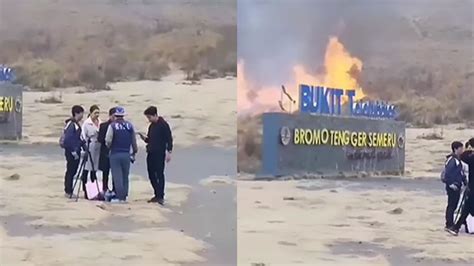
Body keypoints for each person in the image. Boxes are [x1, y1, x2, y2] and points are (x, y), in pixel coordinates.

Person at [139, 106, 173, 205]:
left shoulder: (164, 125)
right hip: (150, 152)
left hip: (159, 153)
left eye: (149, 117)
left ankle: (160, 196)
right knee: (151, 174)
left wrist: (169, 152)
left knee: (159, 174)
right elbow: (150, 140)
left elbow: (169, 139)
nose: (148, 120)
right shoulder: (151, 126)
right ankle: (156, 194)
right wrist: (144, 138)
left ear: (155, 115)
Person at [105, 106, 138, 203]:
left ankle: (119, 197)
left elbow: (108, 140)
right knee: (125, 176)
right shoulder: (129, 126)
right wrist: (134, 152)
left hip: (115, 153)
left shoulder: (112, 126)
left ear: (115, 115)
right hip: (126, 153)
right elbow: (134, 141)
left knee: (117, 176)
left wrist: (109, 147)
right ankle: (125, 196)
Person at [447, 138, 474, 236]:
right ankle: (456, 227)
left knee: (466, 209)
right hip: (471, 188)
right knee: (466, 209)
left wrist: (469, 149)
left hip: (471, 188)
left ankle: (456, 227)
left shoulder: (471, 157)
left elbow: (463, 156)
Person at [444, 141, 467, 231]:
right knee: (452, 205)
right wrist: (451, 184)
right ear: (455, 149)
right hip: (453, 186)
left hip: (457, 186)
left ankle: (450, 223)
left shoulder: (458, 159)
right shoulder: (452, 160)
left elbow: (460, 173)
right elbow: (448, 174)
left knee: (454, 205)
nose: (462, 150)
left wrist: (464, 182)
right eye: (461, 148)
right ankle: (449, 224)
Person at [63, 105, 85, 197]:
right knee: (71, 171)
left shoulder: (75, 124)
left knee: (73, 171)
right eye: (81, 114)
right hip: (72, 152)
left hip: (75, 150)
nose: (82, 116)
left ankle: (69, 190)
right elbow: (68, 139)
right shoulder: (72, 125)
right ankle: (68, 191)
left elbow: (77, 139)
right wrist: (73, 151)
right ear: (76, 113)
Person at [81, 105, 102, 198]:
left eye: (98, 113)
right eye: (95, 113)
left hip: (98, 147)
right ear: (91, 113)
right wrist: (84, 149)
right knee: (86, 168)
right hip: (90, 146)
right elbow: (83, 137)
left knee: (94, 170)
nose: (97, 115)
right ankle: (85, 189)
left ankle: (94, 190)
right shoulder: (86, 123)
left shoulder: (100, 122)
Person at [98, 107, 116, 192]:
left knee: (115, 172)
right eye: (113, 116)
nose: (115, 118)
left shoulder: (118, 126)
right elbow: (100, 139)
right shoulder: (103, 126)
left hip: (115, 152)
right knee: (105, 172)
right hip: (105, 152)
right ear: (110, 116)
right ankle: (104, 188)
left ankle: (114, 189)